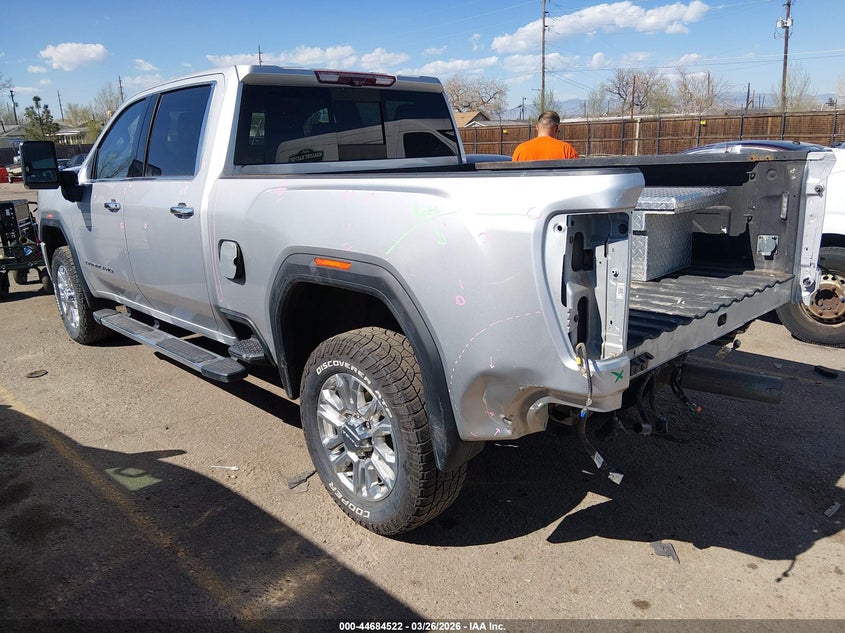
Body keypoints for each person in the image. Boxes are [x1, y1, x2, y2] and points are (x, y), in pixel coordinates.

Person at [512, 111, 579, 161]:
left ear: (537, 127)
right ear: (557, 128)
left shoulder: (520, 150)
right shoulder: (567, 150)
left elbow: (513, 176)